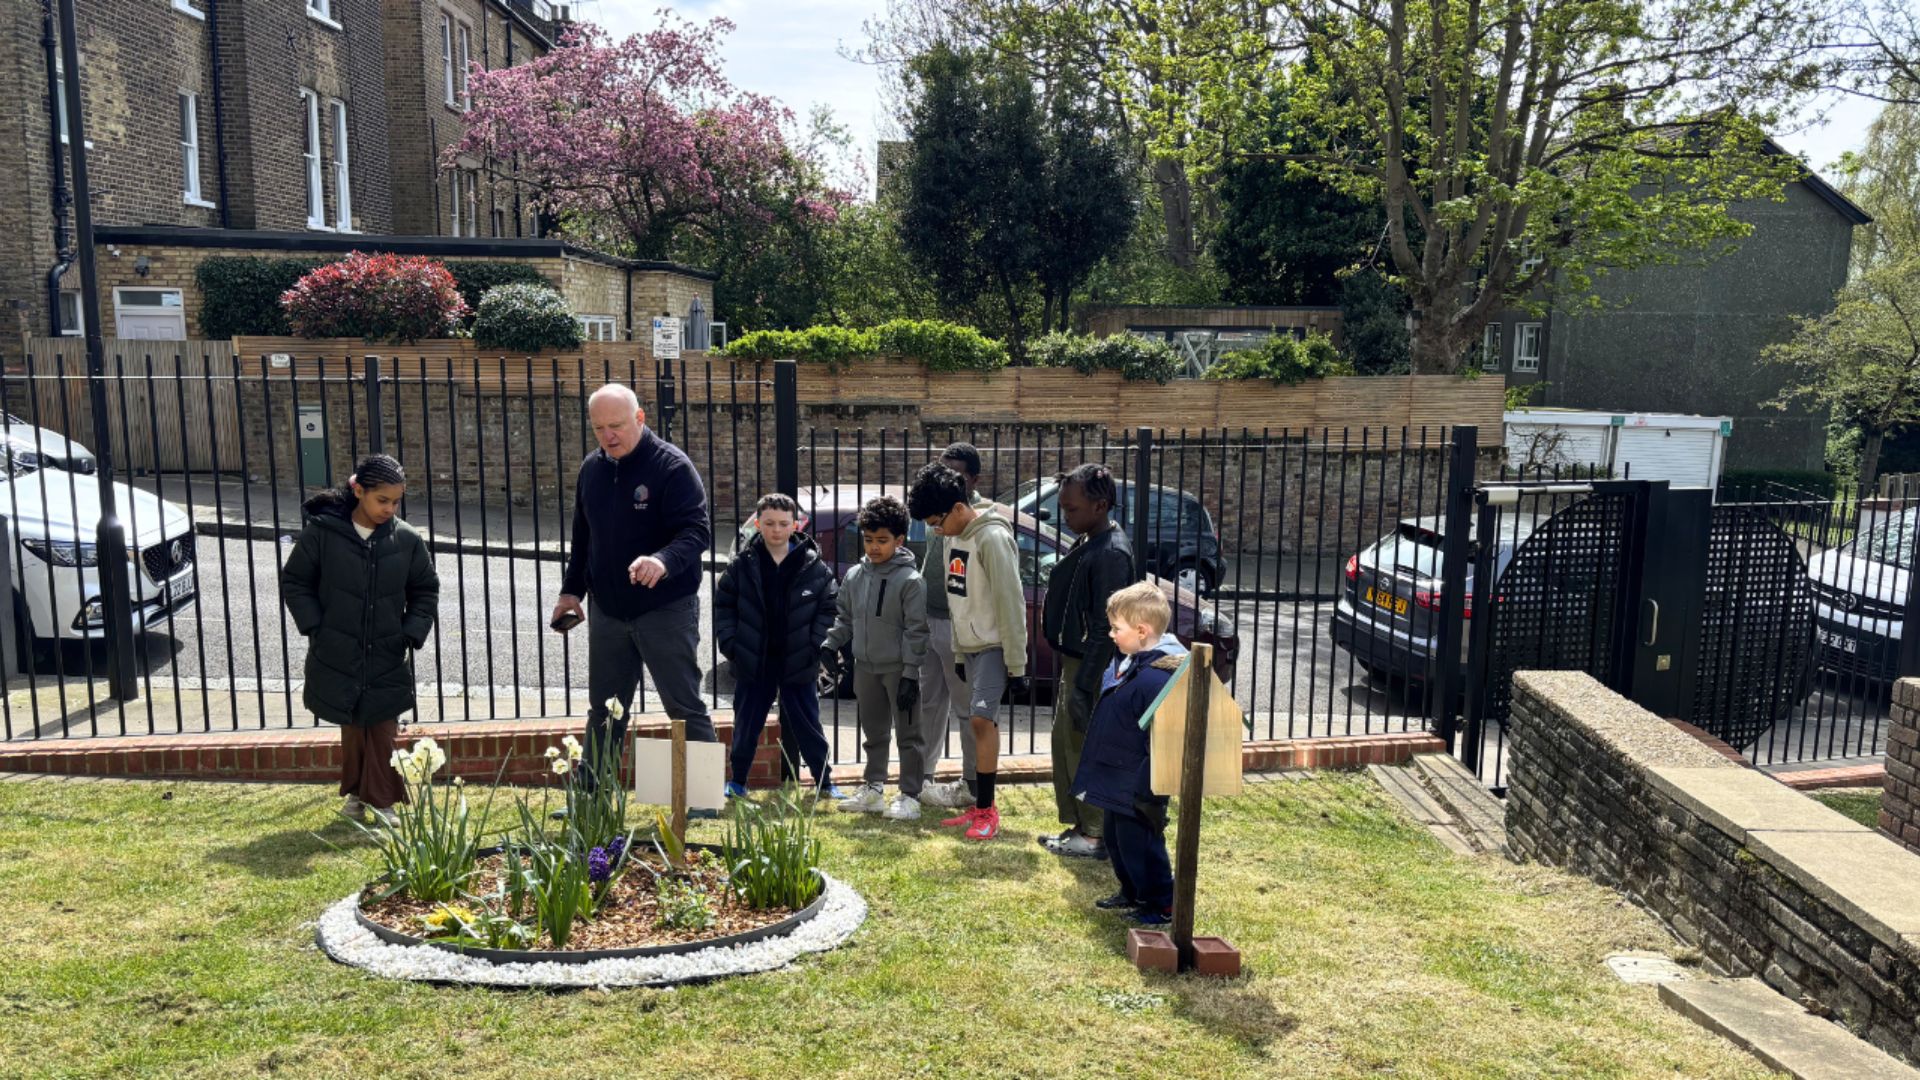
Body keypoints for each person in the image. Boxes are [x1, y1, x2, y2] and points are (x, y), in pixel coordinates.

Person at [552, 385, 714, 791]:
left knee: (683, 704)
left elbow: (697, 532)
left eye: (617, 426)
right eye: (599, 428)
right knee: (605, 709)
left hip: (665, 608)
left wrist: (661, 560)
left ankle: (704, 796)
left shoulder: (672, 467)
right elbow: (582, 538)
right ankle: (592, 794)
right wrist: (571, 592)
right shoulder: (592, 468)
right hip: (609, 610)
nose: (609, 436)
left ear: (640, 419)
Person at [280, 454, 440, 827]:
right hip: (338, 649)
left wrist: (411, 632)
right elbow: (296, 581)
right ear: (358, 491)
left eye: (396, 501)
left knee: (383, 725)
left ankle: (382, 801)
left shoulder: (406, 539)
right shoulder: (322, 533)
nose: (390, 508)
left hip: (387, 650)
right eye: (381, 500)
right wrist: (316, 627)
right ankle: (355, 794)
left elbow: (425, 589)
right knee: (352, 726)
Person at [907, 461, 1028, 841]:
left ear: (959, 508)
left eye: (937, 521)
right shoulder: (951, 540)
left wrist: (1017, 663)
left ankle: (987, 809)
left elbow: (1011, 602)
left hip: (994, 644)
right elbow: (958, 603)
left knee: (979, 719)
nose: (934, 529)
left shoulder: (992, 539)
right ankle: (977, 808)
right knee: (977, 720)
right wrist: (959, 653)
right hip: (970, 645)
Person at [1073, 581, 1188, 926]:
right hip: (1116, 770)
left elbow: (1166, 732)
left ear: (1142, 631)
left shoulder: (1163, 672)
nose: (1110, 634)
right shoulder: (1130, 661)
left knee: (1141, 841)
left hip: (1140, 776)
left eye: (1116, 628)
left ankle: (1160, 903)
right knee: (1116, 838)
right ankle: (1132, 891)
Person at [713, 493, 841, 798]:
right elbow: (724, 606)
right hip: (754, 660)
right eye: (769, 523)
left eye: (784, 523)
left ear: (795, 525)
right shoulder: (741, 566)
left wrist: (815, 644)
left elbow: (829, 607)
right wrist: (731, 643)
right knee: (746, 724)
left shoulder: (814, 567)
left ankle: (825, 783)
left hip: (799, 659)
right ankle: (738, 781)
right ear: (757, 524)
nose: (776, 530)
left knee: (808, 722)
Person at [1040, 464, 1135, 859]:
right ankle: (1081, 826)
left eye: (1072, 509)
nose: (1066, 516)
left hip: (1091, 668)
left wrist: (1083, 686)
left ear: (1099, 505)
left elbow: (1105, 626)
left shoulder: (1110, 552)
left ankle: (1094, 833)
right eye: (1063, 508)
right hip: (1077, 663)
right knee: (1066, 744)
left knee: (1084, 746)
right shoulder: (1090, 538)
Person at [820, 495, 930, 820]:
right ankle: (873, 789)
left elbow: (916, 631)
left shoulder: (911, 582)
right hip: (865, 667)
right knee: (874, 732)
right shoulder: (855, 576)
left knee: (909, 733)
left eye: (882, 541)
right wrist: (829, 645)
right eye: (868, 540)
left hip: (898, 670)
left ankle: (910, 795)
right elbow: (844, 616)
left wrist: (911, 674)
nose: (874, 547)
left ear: (899, 539)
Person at [914, 442, 1006, 811]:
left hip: (959, 628)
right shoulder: (938, 510)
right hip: (928, 616)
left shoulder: (980, 519)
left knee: (969, 710)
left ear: (973, 479)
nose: (948, 478)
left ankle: (972, 783)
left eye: (957, 473)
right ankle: (921, 778)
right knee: (928, 703)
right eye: (943, 469)